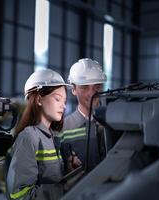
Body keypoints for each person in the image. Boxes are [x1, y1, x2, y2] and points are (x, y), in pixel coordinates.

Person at [6, 69, 81, 200]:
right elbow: (19, 195)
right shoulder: (28, 137)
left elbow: (49, 178)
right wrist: (63, 188)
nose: (63, 106)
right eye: (58, 99)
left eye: (64, 101)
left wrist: (68, 171)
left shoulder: (52, 136)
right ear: (39, 99)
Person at [59, 58, 107, 172]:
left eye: (97, 86)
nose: (92, 93)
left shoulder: (113, 124)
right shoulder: (62, 129)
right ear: (73, 89)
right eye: (84, 87)